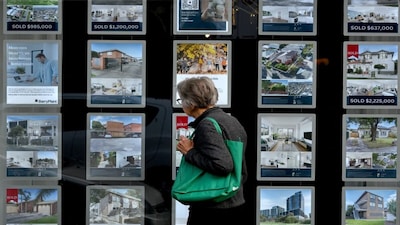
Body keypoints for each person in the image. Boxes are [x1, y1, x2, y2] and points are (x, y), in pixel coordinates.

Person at [175, 76, 248, 225]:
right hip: (234, 201)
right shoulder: (231, 120)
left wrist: (189, 152)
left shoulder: (207, 125)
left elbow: (223, 165)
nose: (181, 104)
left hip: (212, 208)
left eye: (181, 100)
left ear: (192, 103)